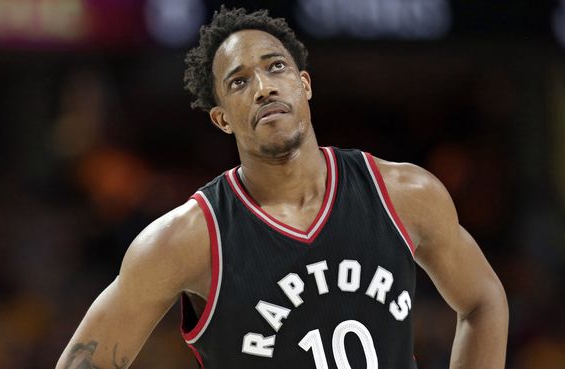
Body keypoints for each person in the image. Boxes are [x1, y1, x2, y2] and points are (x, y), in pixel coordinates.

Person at [56, 6, 508, 369]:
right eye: (239, 82)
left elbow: (483, 300)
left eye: (276, 68)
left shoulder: (405, 193)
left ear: (304, 84)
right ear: (222, 118)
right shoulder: (187, 239)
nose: (263, 88)